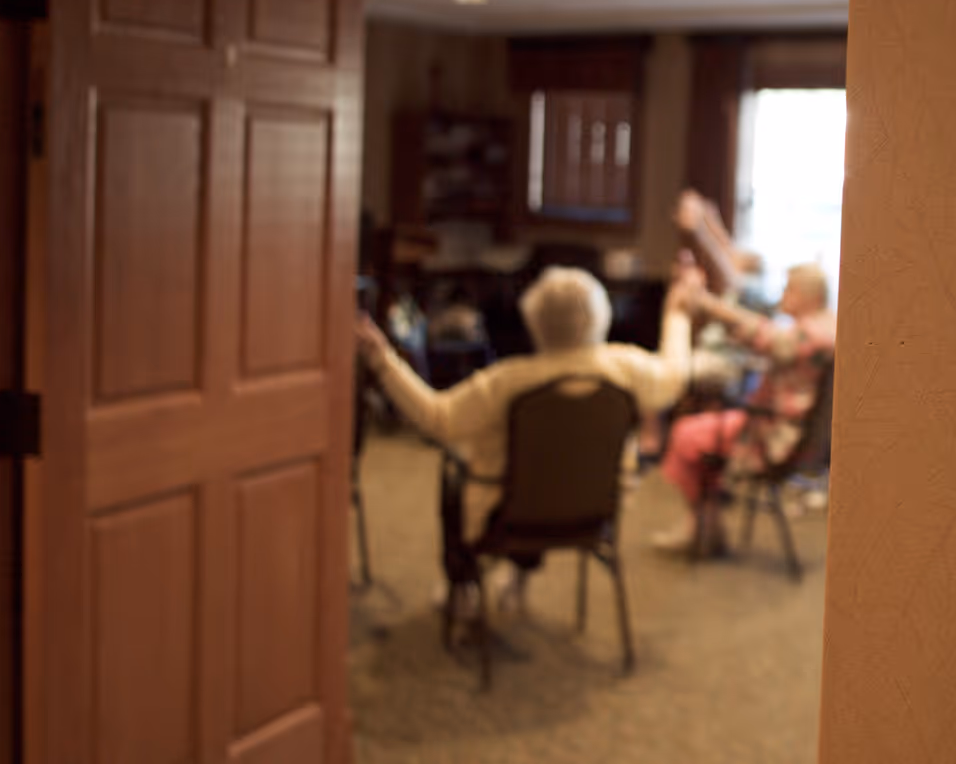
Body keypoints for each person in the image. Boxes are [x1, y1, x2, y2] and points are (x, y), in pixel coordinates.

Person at [356, 266, 697, 620]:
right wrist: (677, 312)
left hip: (508, 515)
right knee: (555, 472)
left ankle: (463, 585)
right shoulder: (626, 368)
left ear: (534, 320)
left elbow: (436, 418)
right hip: (595, 514)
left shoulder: (507, 382)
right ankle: (518, 578)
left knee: (459, 480)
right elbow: (676, 374)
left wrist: (382, 359)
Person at [653, 262, 837, 552]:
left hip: (772, 436)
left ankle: (701, 525)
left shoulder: (813, 336)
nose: (782, 295)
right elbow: (768, 334)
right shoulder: (825, 326)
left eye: (789, 289)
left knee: (686, 433)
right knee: (704, 432)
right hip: (778, 426)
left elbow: (767, 337)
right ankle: (706, 524)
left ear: (809, 296)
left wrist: (706, 303)